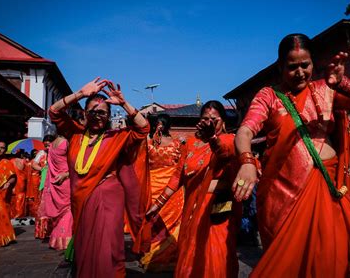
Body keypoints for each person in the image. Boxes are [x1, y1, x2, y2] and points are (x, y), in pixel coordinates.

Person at [234, 33, 350, 277]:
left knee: (329, 259)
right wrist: (247, 161)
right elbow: (245, 131)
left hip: (329, 186)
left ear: (313, 63)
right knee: (289, 263)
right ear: (280, 66)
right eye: (292, 67)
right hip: (284, 193)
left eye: (305, 65)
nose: (300, 72)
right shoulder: (268, 96)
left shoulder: (326, 89)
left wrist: (344, 82)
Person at [49, 78, 150, 278]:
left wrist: (123, 103)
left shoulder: (116, 137)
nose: (97, 116)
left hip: (108, 198)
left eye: (102, 112)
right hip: (81, 200)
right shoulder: (76, 134)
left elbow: (143, 128)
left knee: (109, 245)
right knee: (85, 243)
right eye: (93, 111)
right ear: (85, 114)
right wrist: (80, 94)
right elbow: (54, 111)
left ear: (109, 115)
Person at [146, 101, 242, 278]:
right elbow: (177, 177)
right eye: (205, 119)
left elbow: (223, 153)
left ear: (223, 121)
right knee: (190, 257)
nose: (209, 122)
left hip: (216, 211)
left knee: (214, 255)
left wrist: (212, 137)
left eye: (214, 119)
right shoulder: (190, 144)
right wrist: (157, 205)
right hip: (191, 211)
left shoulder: (231, 140)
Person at [140, 114, 184, 271]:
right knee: (171, 223)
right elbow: (181, 167)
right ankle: (169, 257)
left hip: (154, 187)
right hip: (172, 189)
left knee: (155, 222)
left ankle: (153, 254)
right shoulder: (177, 144)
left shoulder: (147, 143)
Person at [39, 134, 73, 250]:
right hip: (66, 179)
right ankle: (66, 240)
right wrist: (66, 174)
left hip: (55, 181)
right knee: (68, 209)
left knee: (61, 211)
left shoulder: (52, 145)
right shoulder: (68, 142)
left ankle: (56, 240)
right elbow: (75, 163)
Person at [33, 135, 55, 239]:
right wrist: (42, 169)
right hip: (44, 184)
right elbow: (33, 164)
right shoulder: (41, 153)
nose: (47, 143)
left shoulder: (57, 152)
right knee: (42, 206)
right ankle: (43, 231)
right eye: (45, 141)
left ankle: (53, 230)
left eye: (49, 141)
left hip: (55, 183)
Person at [10, 151, 28, 219]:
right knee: (21, 195)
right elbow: (27, 172)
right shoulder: (23, 161)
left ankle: (13, 214)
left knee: (13, 196)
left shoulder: (11, 161)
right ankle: (19, 213)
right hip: (22, 180)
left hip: (14, 180)